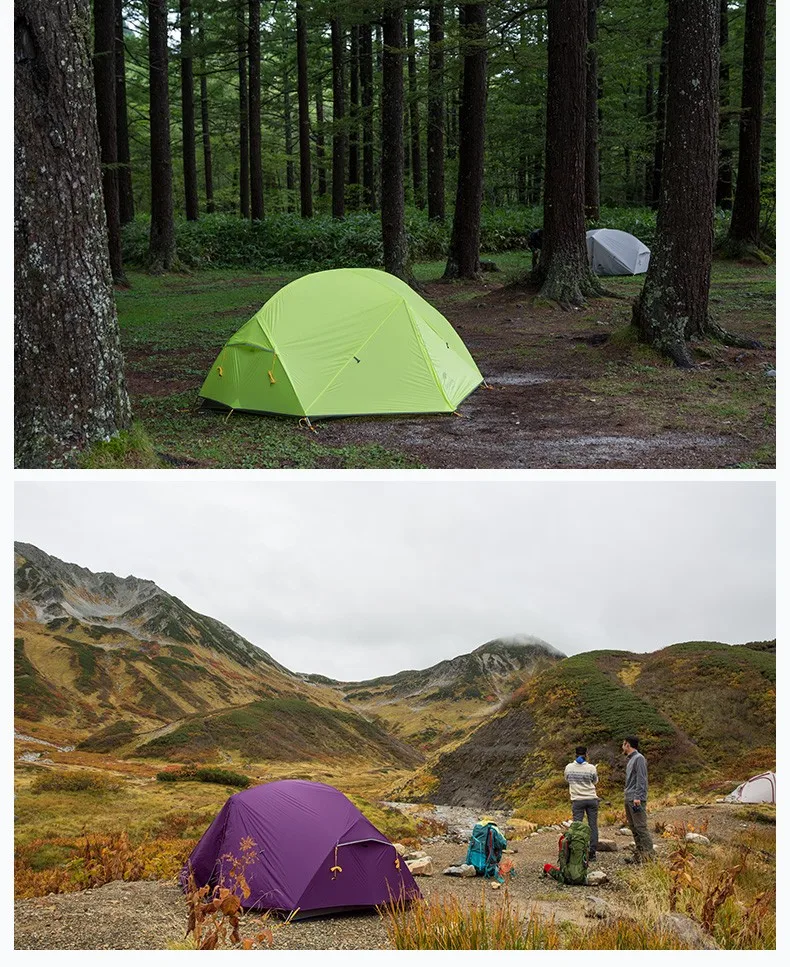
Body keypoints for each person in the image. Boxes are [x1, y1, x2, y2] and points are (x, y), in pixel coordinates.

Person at [622, 735, 655, 862]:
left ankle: (649, 856)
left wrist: (638, 797)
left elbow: (642, 779)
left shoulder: (639, 758)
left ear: (628, 745)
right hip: (629, 797)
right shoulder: (630, 760)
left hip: (635, 799)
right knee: (634, 827)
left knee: (641, 827)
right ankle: (640, 855)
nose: (622, 747)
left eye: (623, 744)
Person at [563, 745, 599, 860]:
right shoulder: (592, 768)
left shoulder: (569, 767)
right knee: (592, 825)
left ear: (575, 754)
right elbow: (595, 781)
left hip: (577, 800)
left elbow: (566, 779)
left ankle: (577, 851)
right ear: (586, 755)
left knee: (577, 826)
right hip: (591, 799)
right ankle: (592, 853)